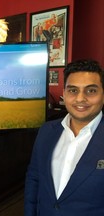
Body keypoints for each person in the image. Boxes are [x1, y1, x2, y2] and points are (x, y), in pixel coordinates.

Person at [24, 59, 104, 216]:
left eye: (91, 91)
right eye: (73, 90)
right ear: (64, 93)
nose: (80, 99)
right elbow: (34, 178)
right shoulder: (47, 131)